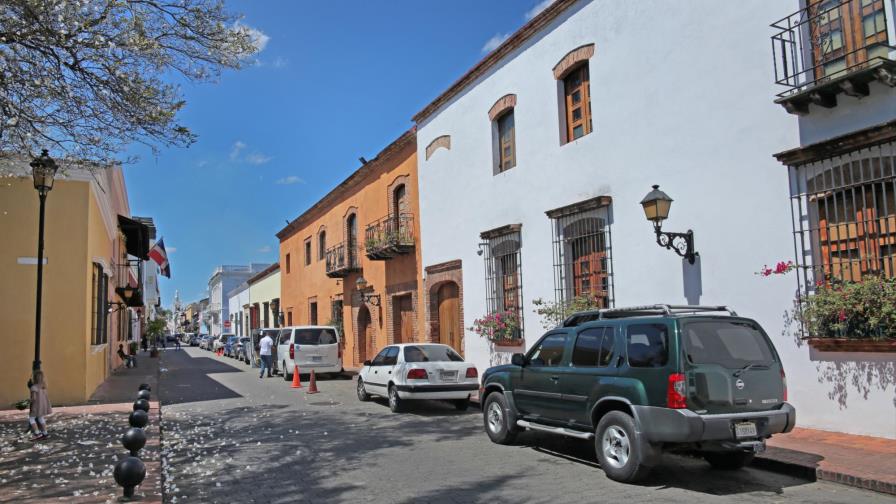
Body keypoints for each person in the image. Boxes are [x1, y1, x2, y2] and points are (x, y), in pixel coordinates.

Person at [28, 370, 51, 441]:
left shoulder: (34, 387)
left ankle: (37, 433)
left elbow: (34, 398)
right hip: (42, 406)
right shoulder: (43, 387)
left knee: (31, 418)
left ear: (34, 378)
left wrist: (28, 401)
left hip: (36, 406)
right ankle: (45, 433)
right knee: (41, 418)